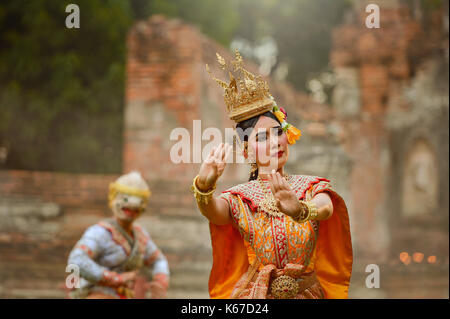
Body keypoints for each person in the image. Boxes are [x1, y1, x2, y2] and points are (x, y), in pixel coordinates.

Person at [191, 50, 352, 299]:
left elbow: (326, 207)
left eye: (278, 132)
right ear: (247, 150)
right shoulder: (240, 199)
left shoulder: (309, 186)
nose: (276, 141)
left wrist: (299, 209)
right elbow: (213, 212)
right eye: (263, 137)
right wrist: (204, 185)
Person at [67, 171, 169, 299]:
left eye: (136, 207)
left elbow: (158, 260)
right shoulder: (100, 232)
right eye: (127, 205)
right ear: (114, 199)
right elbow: (76, 260)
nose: (131, 210)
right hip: (96, 294)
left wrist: (160, 283)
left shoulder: (141, 235)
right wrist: (116, 279)